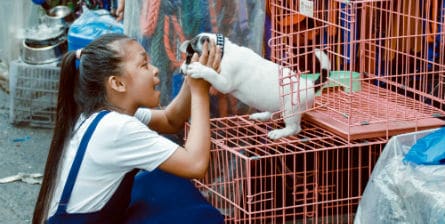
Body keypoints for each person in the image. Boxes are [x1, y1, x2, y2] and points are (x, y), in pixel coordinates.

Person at [32, 33, 223, 223]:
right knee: (201, 217)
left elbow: (170, 120)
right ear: (117, 83)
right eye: (144, 65)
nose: (155, 70)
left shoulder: (102, 114)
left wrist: (193, 74)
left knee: (163, 178)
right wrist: (200, 90)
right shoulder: (117, 128)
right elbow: (196, 164)